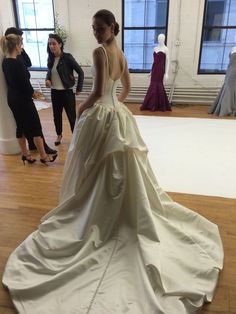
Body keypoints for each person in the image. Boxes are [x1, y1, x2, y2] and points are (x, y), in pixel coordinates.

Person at [2, 10, 223, 313]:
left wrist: (82, 109)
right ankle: (115, 212)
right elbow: (129, 88)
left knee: (98, 167)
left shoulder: (99, 52)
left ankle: (101, 215)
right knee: (116, 167)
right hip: (117, 114)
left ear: (112, 28)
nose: (95, 33)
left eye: (99, 28)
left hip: (100, 115)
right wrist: (116, 105)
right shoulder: (121, 52)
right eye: (93, 28)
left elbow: (94, 92)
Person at [0, 34, 57, 165]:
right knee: (36, 126)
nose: (22, 47)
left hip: (12, 99)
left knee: (20, 126)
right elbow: (25, 84)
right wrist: (34, 93)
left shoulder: (5, 62)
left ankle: (25, 155)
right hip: (23, 100)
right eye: (21, 45)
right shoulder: (16, 63)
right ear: (16, 46)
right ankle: (43, 156)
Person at [46, 33, 84, 146]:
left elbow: (80, 72)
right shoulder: (50, 59)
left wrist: (79, 88)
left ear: (60, 44)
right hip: (55, 93)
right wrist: (47, 80)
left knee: (71, 116)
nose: (51, 46)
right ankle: (59, 135)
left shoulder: (67, 57)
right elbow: (49, 73)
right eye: (49, 44)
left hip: (67, 92)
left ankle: (76, 137)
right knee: (56, 116)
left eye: (54, 43)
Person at [140, 33, 172, 111]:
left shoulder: (166, 49)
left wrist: (167, 73)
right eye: (159, 39)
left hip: (161, 70)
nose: (160, 40)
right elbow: (153, 61)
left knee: (159, 86)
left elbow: (168, 61)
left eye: (161, 39)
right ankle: (151, 105)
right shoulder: (155, 48)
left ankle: (160, 105)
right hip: (154, 70)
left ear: (164, 39)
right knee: (152, 86)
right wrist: (151, 71)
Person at [209, 34, 236, 116]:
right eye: (235, 37)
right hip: (229, 70)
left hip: (235, 71)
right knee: (227, 86)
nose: (235, 38)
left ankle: (227, 109)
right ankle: (222, 107)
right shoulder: (233, 48)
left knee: (230, 87)